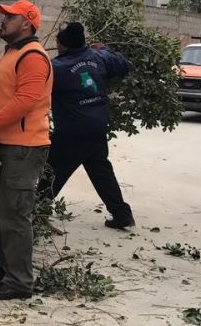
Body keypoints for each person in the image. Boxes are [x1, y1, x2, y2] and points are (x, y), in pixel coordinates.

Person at [0, 0, 52, 300]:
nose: (3, 20)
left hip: (23, 147)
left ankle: (19, 281)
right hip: (0, 143)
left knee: (13, 213)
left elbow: (26, 100)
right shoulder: (10, 54)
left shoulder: (33, 56)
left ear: (27, 23)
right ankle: (5, 264)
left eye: (10, 16)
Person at [39, 22, 135, 229]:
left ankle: (35, 212)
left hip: (71, 132)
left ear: (62, 45)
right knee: (100, 171)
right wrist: (105, 49)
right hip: (97, 128)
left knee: (53, 172)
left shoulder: (56, 68)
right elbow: (124, 64)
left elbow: (37, 94)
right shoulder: (99, 57)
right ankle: (122, 213)